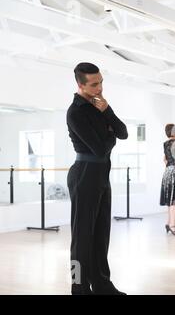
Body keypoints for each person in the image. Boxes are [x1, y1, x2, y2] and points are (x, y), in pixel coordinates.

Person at [67, 62, 128, 295]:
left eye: (101, 81)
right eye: (94, 84)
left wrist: (108, 112)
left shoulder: (100, 106)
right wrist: (109, 136)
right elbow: (100, 148)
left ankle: (102, 283)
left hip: (101, 175)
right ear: (80, 84)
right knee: (81, 238)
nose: (100, 87)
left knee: (101, 234)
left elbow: (122, 132)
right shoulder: (75, 112)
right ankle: (78, 286)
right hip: (83, 176)